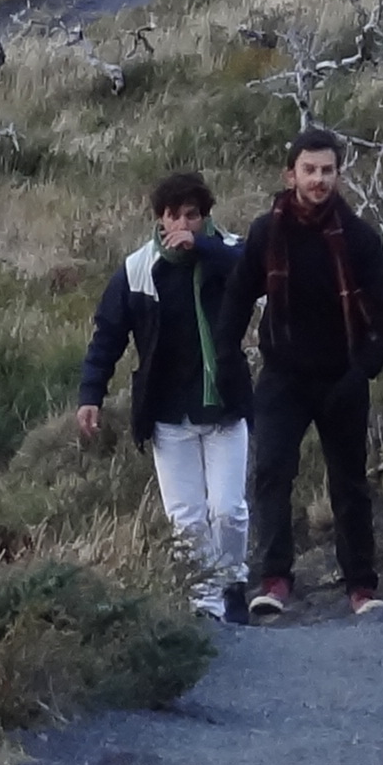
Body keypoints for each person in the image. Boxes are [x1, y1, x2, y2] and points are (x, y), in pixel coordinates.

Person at [226, 124, 383, 619]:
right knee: (272, 474)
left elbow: (382, 308)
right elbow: (239, 295)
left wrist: (364, 369)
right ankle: (275, 580)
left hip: (343, 375)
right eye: (310, 170)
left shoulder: (360, 238)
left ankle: (361, 588)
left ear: (339, 175)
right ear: (291, 173)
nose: (318, 179)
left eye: (327, 170)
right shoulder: (267, 232)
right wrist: (227, 351)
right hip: (282, 374)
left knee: (349, 483)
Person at [76, 166, 254, 621]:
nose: (181, 225)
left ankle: (233, 578)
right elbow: (108, 335)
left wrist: (204, 249)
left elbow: (260, 273)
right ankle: (207, 604)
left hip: (225, 406)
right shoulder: (139, 270)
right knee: (187, 519)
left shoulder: (229, 253)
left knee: (228, 511)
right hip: (167, 412)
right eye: (172, 216)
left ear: (205, 216)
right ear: (159, 219)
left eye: (191, 215)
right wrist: (90, 394)